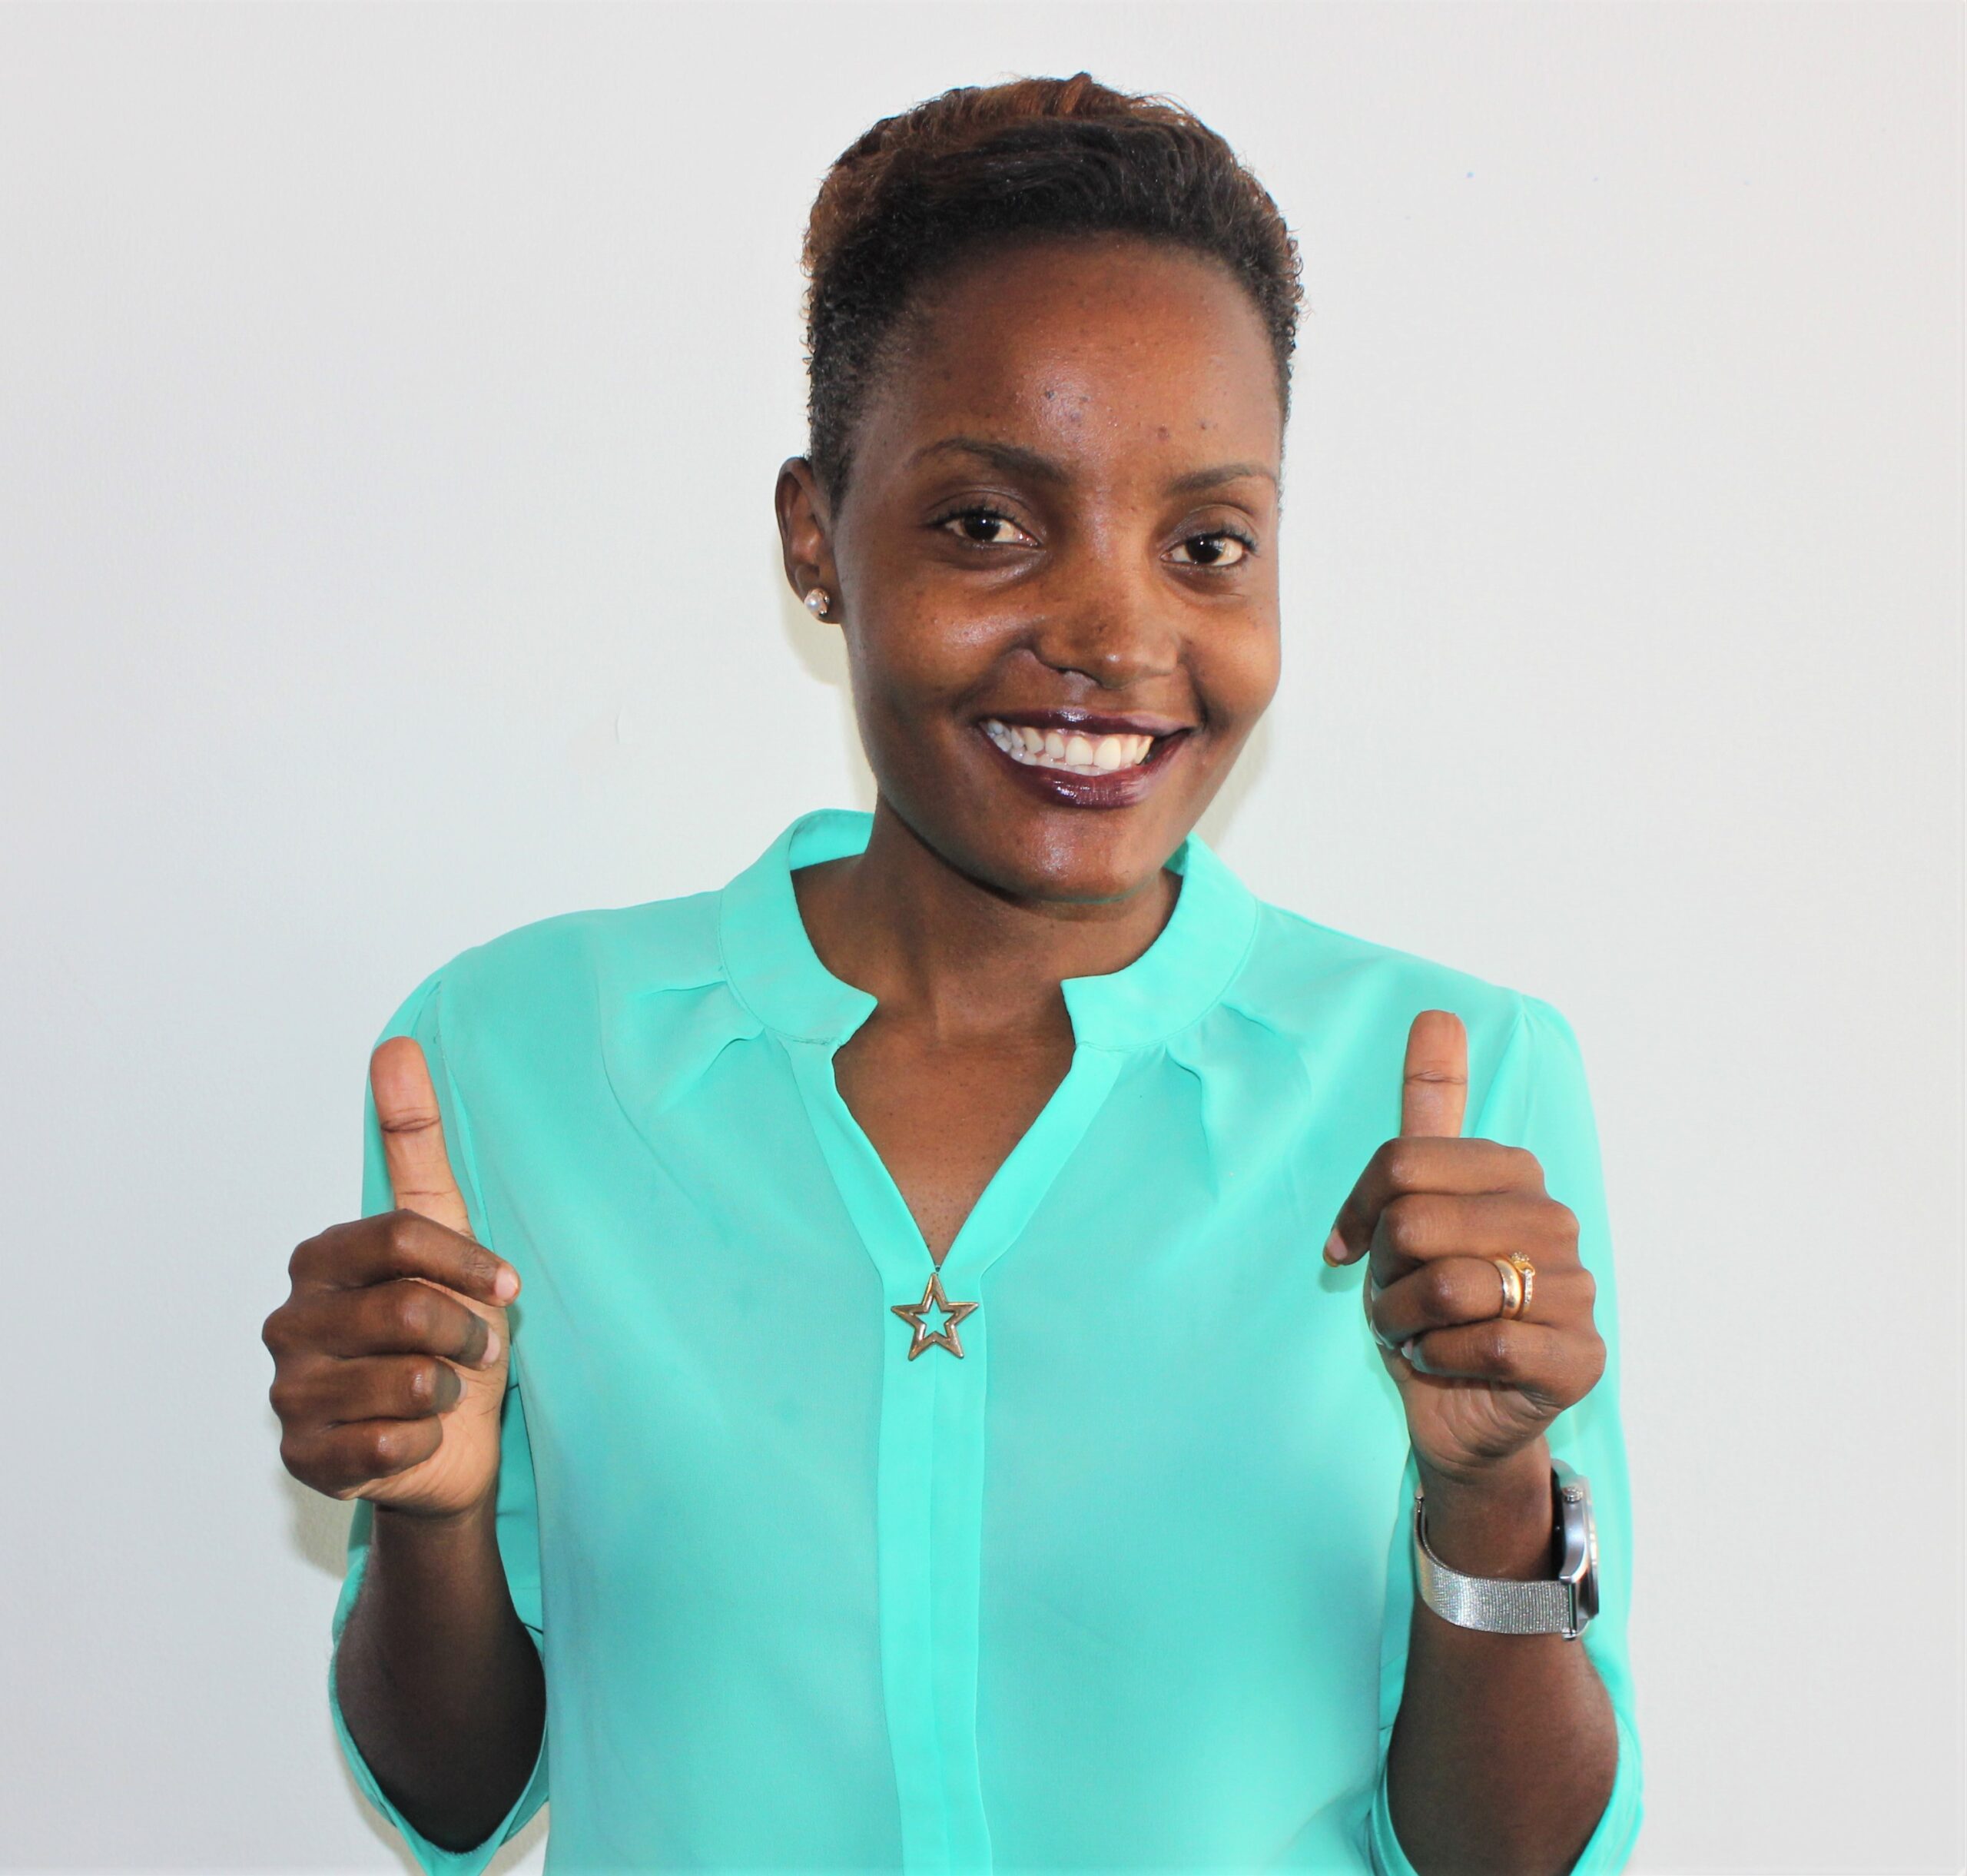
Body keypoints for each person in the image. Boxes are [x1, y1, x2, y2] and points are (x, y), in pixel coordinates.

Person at [262, 71, 1642, 1876]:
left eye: (1205, 544)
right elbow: (452, 1793)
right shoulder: (506, 1062)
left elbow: (1512, 1860)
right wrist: (432, 1527)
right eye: (988, 525)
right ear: (813, 539)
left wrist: (1486, 1497)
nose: (1110, 635)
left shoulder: (1447, 1085)